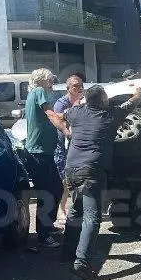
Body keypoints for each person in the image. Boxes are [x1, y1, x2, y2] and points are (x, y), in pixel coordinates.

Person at [60, 84, 141, 280]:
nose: (108, 100)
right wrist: (139, 93)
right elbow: (132, 103)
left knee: (76, 210)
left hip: (71, 168)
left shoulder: (75, 112)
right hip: (91, 170)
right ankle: (81, 262)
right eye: (106, 98)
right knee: (92, 217)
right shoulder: (109, 115)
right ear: (101, 101)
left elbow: (61, 115)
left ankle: (67, 251)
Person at [24, 68, 71, 249]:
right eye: (50, 80)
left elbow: (53, 114)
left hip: (44, 153)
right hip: (38, 153)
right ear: (42, 81)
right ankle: (43, 236)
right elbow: (50, 114)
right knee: (47, 193)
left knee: (57, 189)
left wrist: (70, 115)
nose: (52, 83)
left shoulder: (34, 95)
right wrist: (65, 131)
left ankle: (48, 227)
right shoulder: (38, 92)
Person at [54, 75, 85, 226]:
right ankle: (61, 209)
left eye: (81, 85)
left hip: (79, 146)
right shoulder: (61, 103)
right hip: (63, 146)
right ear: (68, 89)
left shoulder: (85, 101)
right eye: (75, 86)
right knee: (64, 180)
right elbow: (57, 120)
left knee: (77, 179)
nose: (79, 88)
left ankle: (77, 209)